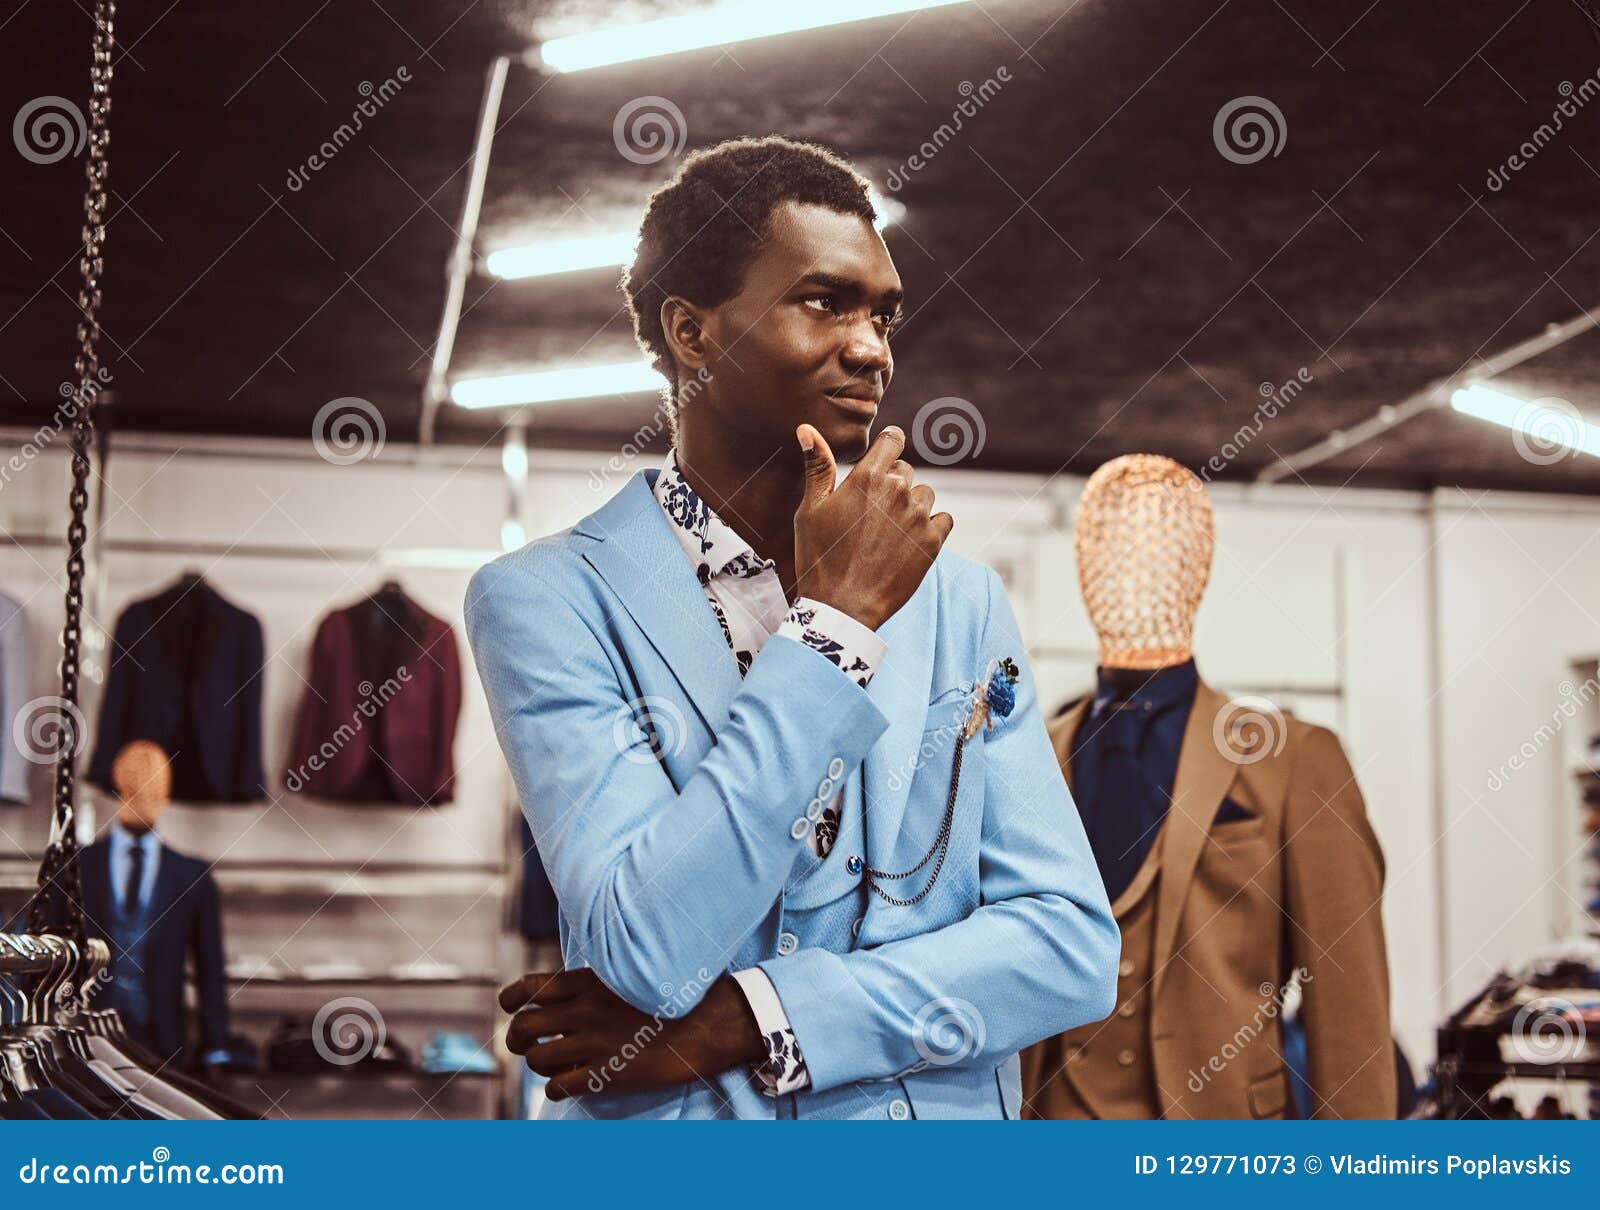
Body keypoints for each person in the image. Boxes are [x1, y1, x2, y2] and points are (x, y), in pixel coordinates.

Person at [466, 135, 1118, 1119]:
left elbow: (1067, 948)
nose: (870, 347)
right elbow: (641, 949)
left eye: (882, 313)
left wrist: (750, 1018)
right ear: (691, 331)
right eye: (823, 301)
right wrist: (834, 627)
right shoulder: (547, 599)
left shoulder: (962, 600)